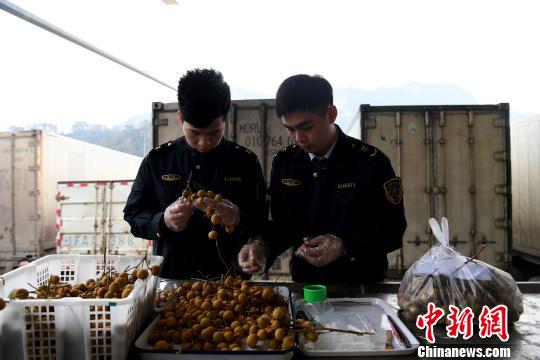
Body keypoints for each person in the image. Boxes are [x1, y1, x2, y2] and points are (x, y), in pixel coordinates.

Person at [238, 74, 406, 283]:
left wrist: (343, 245)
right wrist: (262, 246)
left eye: (306, 127)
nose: (299, 137)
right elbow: (283, 226)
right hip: (306, 285)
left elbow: (393, 229)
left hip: (362, 285)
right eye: (290, 129)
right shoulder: (285, 163)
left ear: (331, 114)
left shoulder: (370, 163)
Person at [124, 69, 267, 279]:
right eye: (194, 133)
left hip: (230, 285)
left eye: (214, 133)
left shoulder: (245, 162)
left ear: (224, 119)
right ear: (180, 118)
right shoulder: (158, 160)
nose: (203, 142)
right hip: (172, 280)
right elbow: (134, 215)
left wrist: (239, 218)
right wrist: (163, 220)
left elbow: (264, 219)